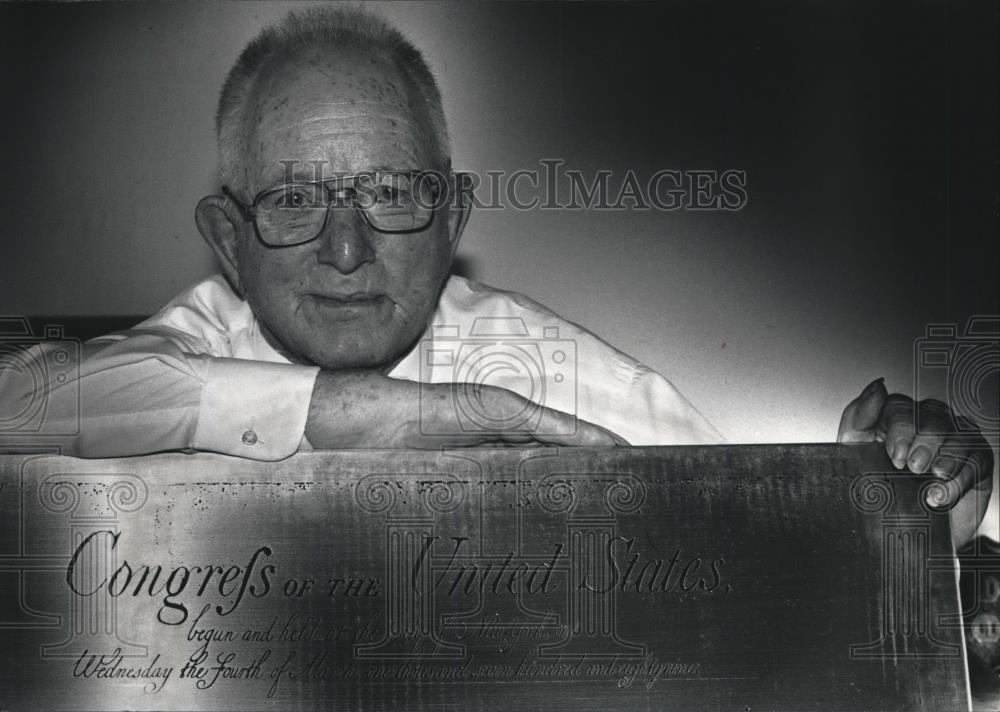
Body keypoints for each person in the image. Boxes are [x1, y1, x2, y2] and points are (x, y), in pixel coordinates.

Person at [0, 7, 991, 546]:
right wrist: (349, 410)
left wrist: (901, 522)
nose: (345, 251)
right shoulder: (191, 342)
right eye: (296, 201)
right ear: (227, 237)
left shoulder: (549, 377)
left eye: (390, 193)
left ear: (456, 216)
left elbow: (757, 552)